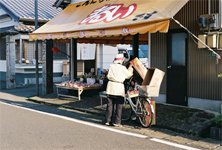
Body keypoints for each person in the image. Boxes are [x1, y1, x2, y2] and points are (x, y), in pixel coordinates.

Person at [105, 53, 133, 127]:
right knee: (119, 106)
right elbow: (129, 75)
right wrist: (130, 67)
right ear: (121, 60)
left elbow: (108, 76)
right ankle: (117, 122)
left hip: (110, 86)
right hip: (119, 87)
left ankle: (108, 121)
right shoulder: (122, 68)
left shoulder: (111, 66)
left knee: (109, 105)